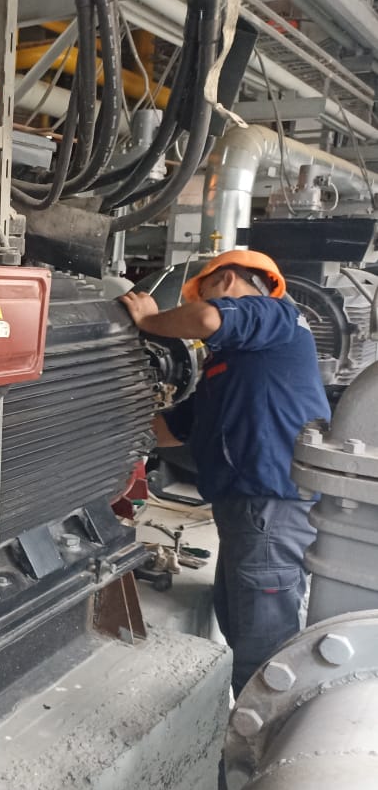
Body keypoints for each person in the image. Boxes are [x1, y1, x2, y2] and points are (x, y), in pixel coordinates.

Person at [119, 250, 330, 696]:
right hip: (244, 509)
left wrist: (150, 321)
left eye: (204, 292)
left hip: (272, 505)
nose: (200, 305)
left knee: (262, 647)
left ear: (228, 281)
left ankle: (261, 733)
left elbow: (207, 320)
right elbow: (172, 430)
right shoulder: (230, 365)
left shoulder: (276, 314)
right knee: (237, 622)